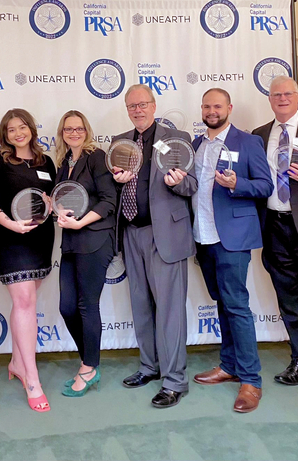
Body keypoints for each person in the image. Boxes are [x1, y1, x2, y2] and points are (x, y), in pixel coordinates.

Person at [112, 84, 197, 408]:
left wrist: (178, 182)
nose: (138, 110)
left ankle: (175, 381)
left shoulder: (177, 139)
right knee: (141, 306)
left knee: (171, 311)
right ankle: (150, 367)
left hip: (165, 236)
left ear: (154, 104)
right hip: (131, 234)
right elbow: (115, 188)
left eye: (143, 104)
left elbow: (192, 184)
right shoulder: (121, 143)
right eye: (132, 106)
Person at [191, 88, 273, 413]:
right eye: (207, 106)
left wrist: (237, 184)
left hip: (233, 238)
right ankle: (228, 366)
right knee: (223, 304)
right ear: (202, 109)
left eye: (218, 106)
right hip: (203, 237)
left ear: (229, 108)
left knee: (237, 306)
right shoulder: (197, 145)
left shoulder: (248, 142)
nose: (212, 111)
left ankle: (252, 381)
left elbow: (265, 186)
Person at [252, 76, 298, 404]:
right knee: (289, 302)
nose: (282, 98)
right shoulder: (258, 135)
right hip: (275, 229)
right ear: (270, 100)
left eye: (287, 93)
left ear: (297, 97)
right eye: (276, 94)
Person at [0, 108, 56, 412]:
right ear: (4, 134)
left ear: (31, 129)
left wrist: (52, 203)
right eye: (11, 129)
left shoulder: (45, 161)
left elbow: (52, 196)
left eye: (22, 127)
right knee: (25, 301)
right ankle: (32, 377)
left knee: (26, 301)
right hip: (8, 237)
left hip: (40, 237)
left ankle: (16, 362)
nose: (17, 133)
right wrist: (9, 223)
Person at [54, 110, 116, 397]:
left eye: (79, 128)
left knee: (87, 305)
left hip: (94, 238)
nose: (74, 133)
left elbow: (108, 200)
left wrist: (81, 221)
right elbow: (63, 201)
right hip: (70, 242)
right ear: (62, 132)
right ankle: (87, 361)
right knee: (67, 307)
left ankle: (90, 367)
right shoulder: (63, 164)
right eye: (68, 129)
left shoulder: (96, 157)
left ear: (86, 130)